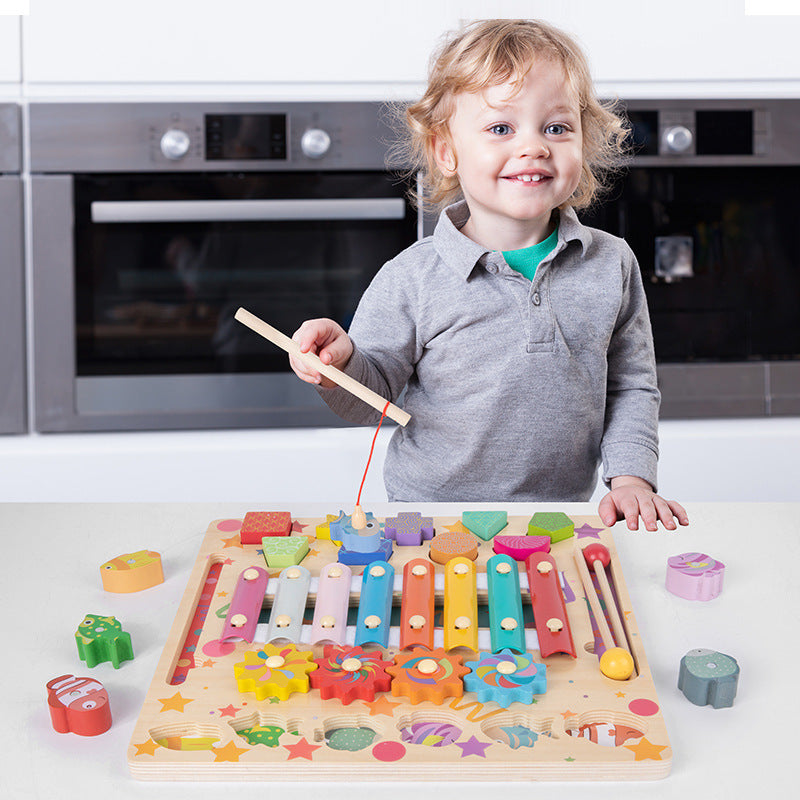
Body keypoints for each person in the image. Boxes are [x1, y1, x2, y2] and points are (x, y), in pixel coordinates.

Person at [289, 18, 688, 532]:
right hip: (431, 522)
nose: (534, 146)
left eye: (557, 127)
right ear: (446, 152)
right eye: (501, 128)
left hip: (555, 519)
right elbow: (367, 403)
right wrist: (339, 364)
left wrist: (632, 479)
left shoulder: (612, 263)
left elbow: (632, 386)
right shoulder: (411, 278)